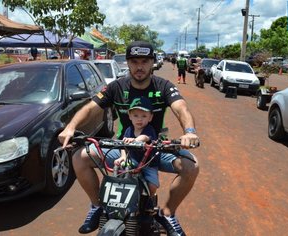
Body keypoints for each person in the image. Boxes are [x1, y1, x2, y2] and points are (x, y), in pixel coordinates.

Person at [58, 41, 199, 236]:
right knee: (78, 157)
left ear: (152, 63)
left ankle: (167, 214)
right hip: (122, 147)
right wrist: (71, 127)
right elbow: (91, 107)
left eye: (144, 61)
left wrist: (189, 131)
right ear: (127, 63)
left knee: (191, 166)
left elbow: (180, 108)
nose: (139, 67)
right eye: (134, 62)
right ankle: (97, 206)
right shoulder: (115, 87)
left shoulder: (164, 86)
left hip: (154, 149)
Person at [114, 97, 159, 198]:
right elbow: (123, 146)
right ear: (130, 116)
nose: (139, 119)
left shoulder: (149, 129)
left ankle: (150, 200)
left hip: (149, 163)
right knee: (119, 171)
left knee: (152, 185)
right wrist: (123, 157)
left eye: (144, 116)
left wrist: (135, 140)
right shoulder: (128, 130)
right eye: (135, 115)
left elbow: (145, 137)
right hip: (133, 161)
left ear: (150, 117)